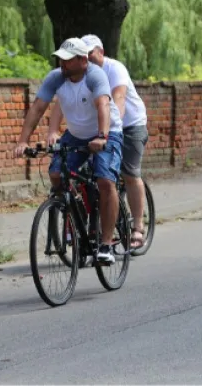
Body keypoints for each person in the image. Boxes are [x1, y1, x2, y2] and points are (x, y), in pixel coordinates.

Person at [13, 37, 125, 264]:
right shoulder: (56, 77)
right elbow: (37, 108)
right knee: (56, 174)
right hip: (75, 134)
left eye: (67, 60)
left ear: (83, 60)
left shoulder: (94, 75)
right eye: (60, 59)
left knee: (105, 181)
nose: (62, 64)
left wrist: (102, 136)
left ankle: (105, 245)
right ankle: (75, 212)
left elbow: (103, 105)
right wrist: (23, 141)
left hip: (106, 131)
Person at [45, 34, 149, 250]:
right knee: (83, 174)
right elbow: (62, 103)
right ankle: (84, 220)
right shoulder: (77, 75)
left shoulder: (114, 69)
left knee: (129, 173)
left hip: (129, 124)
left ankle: (138, 226)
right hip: (97, 128)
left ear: (101, 52)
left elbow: (118, 100)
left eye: (91, 52)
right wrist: (54, 130)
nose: (88, 56)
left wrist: (108, 132)